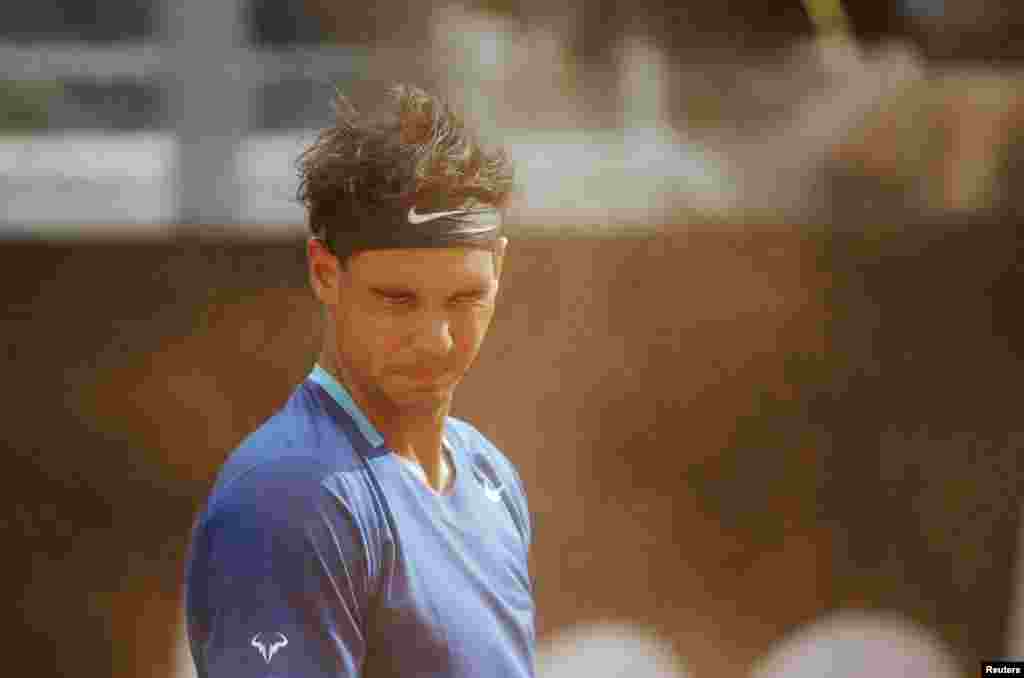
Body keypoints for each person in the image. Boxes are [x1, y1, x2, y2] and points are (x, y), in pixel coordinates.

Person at [184, 84, 534, 678]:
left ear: (498, 266)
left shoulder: (490, 477)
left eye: (465, 297)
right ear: (325, 273)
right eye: (398, 300)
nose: (438, 339)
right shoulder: (288, 499)